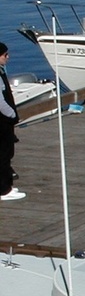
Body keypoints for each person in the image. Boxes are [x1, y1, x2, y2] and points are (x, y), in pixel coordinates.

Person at [0, 42, 24, 201]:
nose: (8, 57)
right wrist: (12, 115)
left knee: (6, 154)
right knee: (3, 155)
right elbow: (0, 102)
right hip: (2, 123)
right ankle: (3, 190)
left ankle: (7, 186)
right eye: (4, 55)